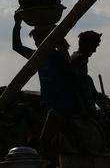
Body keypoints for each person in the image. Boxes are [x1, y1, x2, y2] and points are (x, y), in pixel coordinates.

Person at [13, 16, 99, 158]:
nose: (36, 43)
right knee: (59, 142)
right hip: (50, 105)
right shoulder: (38, 57)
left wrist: (63, 49)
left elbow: (73, 78)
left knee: (46, 142)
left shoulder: (58, 57)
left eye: (38, 39)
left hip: (62, 106)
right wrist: (17, 24)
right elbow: (17, 47)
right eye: (35, 40)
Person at [70, 31, 110, 116]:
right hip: (80, 111)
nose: (94, 50)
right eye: (93, 46)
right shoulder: (80, 60)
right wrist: (92, 111)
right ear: (87, 45)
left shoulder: (78, 60)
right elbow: (81, 90)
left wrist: (108, 101)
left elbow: (93, 93)